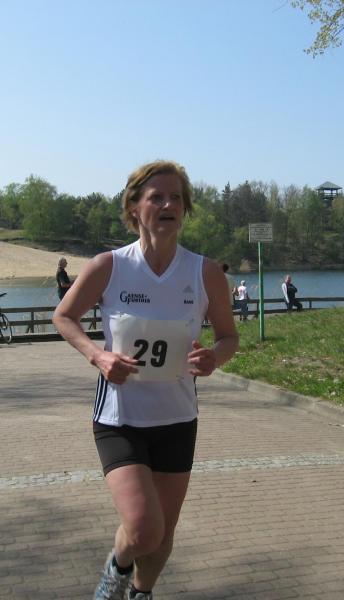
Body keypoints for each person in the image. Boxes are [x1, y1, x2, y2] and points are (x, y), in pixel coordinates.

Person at [52, 160, 238, 600]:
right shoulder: (109, 266)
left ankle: (140, 592)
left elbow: (228, 336)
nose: (168, 205)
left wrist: (214, 358)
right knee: (142, 529)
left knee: (163, 535)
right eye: (157, 197)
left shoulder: (205, 272)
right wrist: (98, 355)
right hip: (121, 419)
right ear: (134, 207)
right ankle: (113, 575)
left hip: (177, 418)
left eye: (176, 198)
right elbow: (64, 316)